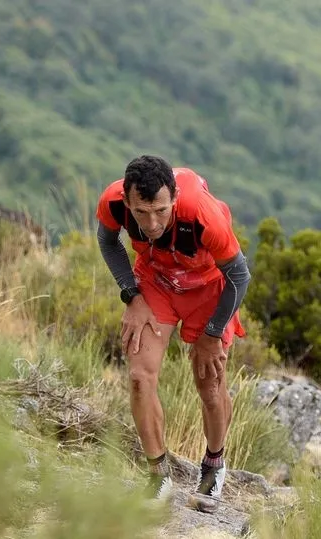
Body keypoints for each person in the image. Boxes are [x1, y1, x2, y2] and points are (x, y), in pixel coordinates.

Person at [95, 154, 251, 504]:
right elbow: (108, 242)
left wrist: (212, 335)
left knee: (209, 385)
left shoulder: (201, 212)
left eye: (161, 211)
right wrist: (131, 295)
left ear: (175, 198)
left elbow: (239, 276)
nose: (151, 224)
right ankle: (158, 476)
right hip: (157, 282)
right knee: (139, 376)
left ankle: (213, 466)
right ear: (127, 200)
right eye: (141, 212)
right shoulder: (113, 202)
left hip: (209, 289)